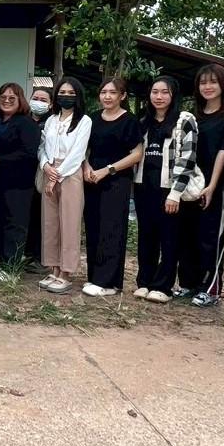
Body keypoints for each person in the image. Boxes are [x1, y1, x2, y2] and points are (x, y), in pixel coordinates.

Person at [132, 76, 200, 303]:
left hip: (169, 188)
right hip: (143, 186)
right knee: (146, 236)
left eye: (164, 92)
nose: (159, 97)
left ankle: (163, 285)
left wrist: (175, 193)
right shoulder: (144, 121)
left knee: (169, 237)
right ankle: (144, 282)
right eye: (155, 92)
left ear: (173, 95)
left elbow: (188, 158)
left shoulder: (184, 120)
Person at [81, 77, 144, 297]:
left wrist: (108, 170)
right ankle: (94, 277)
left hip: (116, 181)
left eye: (113, 92)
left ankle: (108, 282)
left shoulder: (130, 121)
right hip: (92, 179)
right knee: (94, 227)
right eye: (103, 92)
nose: (107, 96)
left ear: (122, 96)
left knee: (112, 229)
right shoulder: (92, 119)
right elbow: (84, 149)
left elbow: (137, 154)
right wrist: (87, 167)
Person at [188, 64, 224, 307]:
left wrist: (212, 185)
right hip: (190, 183)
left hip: (215, 184)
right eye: (203, 82)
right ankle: (190, 283)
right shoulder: (194, 116)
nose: (207, 87)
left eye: (213, 82)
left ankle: (211, 288)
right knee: (189, 234)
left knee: (211, 235)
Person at [37, 77, 92, 294]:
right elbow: (42, 147)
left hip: (69, 174)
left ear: (78, 96)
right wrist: (45, 166)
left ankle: (66, 272)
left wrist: (56, 176)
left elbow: (78, 153)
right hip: (49, 170)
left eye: (71, 93)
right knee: (50, 222)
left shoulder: (84, 121)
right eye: (62, 92)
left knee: (69, 223)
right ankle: (53, 268)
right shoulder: (51, 120)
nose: (66, 96)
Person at [0, 83, 40, 281]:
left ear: (20, 100)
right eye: (3, 97)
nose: (7, 100)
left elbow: (29, 153)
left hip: (19, 184)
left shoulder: (26, 123)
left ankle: (12, 269)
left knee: (15, 225)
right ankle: (1, 261)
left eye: (12, 98)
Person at [22, 85, 53, 272]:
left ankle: (41, 258)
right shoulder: (23, 120)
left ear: (50, 105)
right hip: (23, 176)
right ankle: (28, 254)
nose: (38, 103)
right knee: (27, 217)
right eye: (35, 98)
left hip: (43, 175)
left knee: (41, 217)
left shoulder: (52, 124)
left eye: (43, 100)